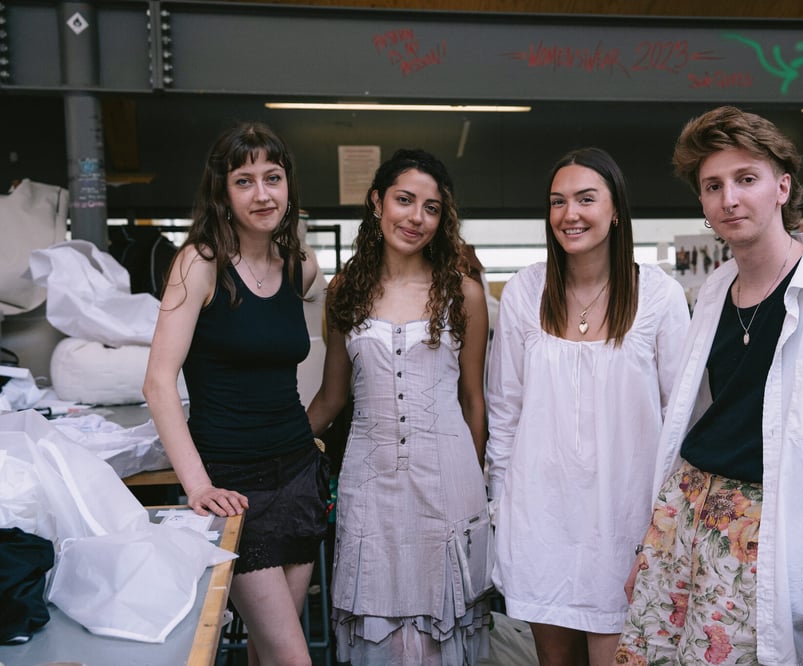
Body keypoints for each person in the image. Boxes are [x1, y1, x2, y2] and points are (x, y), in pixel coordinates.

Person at [615, 106, 803, 666]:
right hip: (686, 508)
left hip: (766, 526)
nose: (730, 199)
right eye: (712, 186)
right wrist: (653, 546)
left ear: (782, 188)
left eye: (746, 179)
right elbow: (695, 420)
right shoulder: (715, 290)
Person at [487, 147, 691, 666]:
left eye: (585, 199)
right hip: (541, 520)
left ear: (615, 209)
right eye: (557, 201)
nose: (569, 214)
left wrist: (667, 525)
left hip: (626, 521)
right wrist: (500, 507)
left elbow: (683, 419)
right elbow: (504, 411)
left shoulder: (659, 296)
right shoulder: (525, 291)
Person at [143, 121, 325, 666]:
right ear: (222, 192)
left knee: (268, 654)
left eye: (273, 177)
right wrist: (197, 485)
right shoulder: (200, 263)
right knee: (292, 658)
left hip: (299, 476)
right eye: (244, 181)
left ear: (289, 185)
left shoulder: (300, 266)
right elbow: (158, 381)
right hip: (234, 488)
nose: (262, 194)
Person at [307, 149, 492, 664]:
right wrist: (275, 447)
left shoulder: (464, 294)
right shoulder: (345, 292)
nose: (416, 218)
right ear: (377, 202)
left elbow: (473, 400)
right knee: (379, 628)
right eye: (404, 200)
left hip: (449, 480)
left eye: (431, 208)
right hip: (369, 483)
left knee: (444, 630)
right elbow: (331, 397)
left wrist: (476, 483)